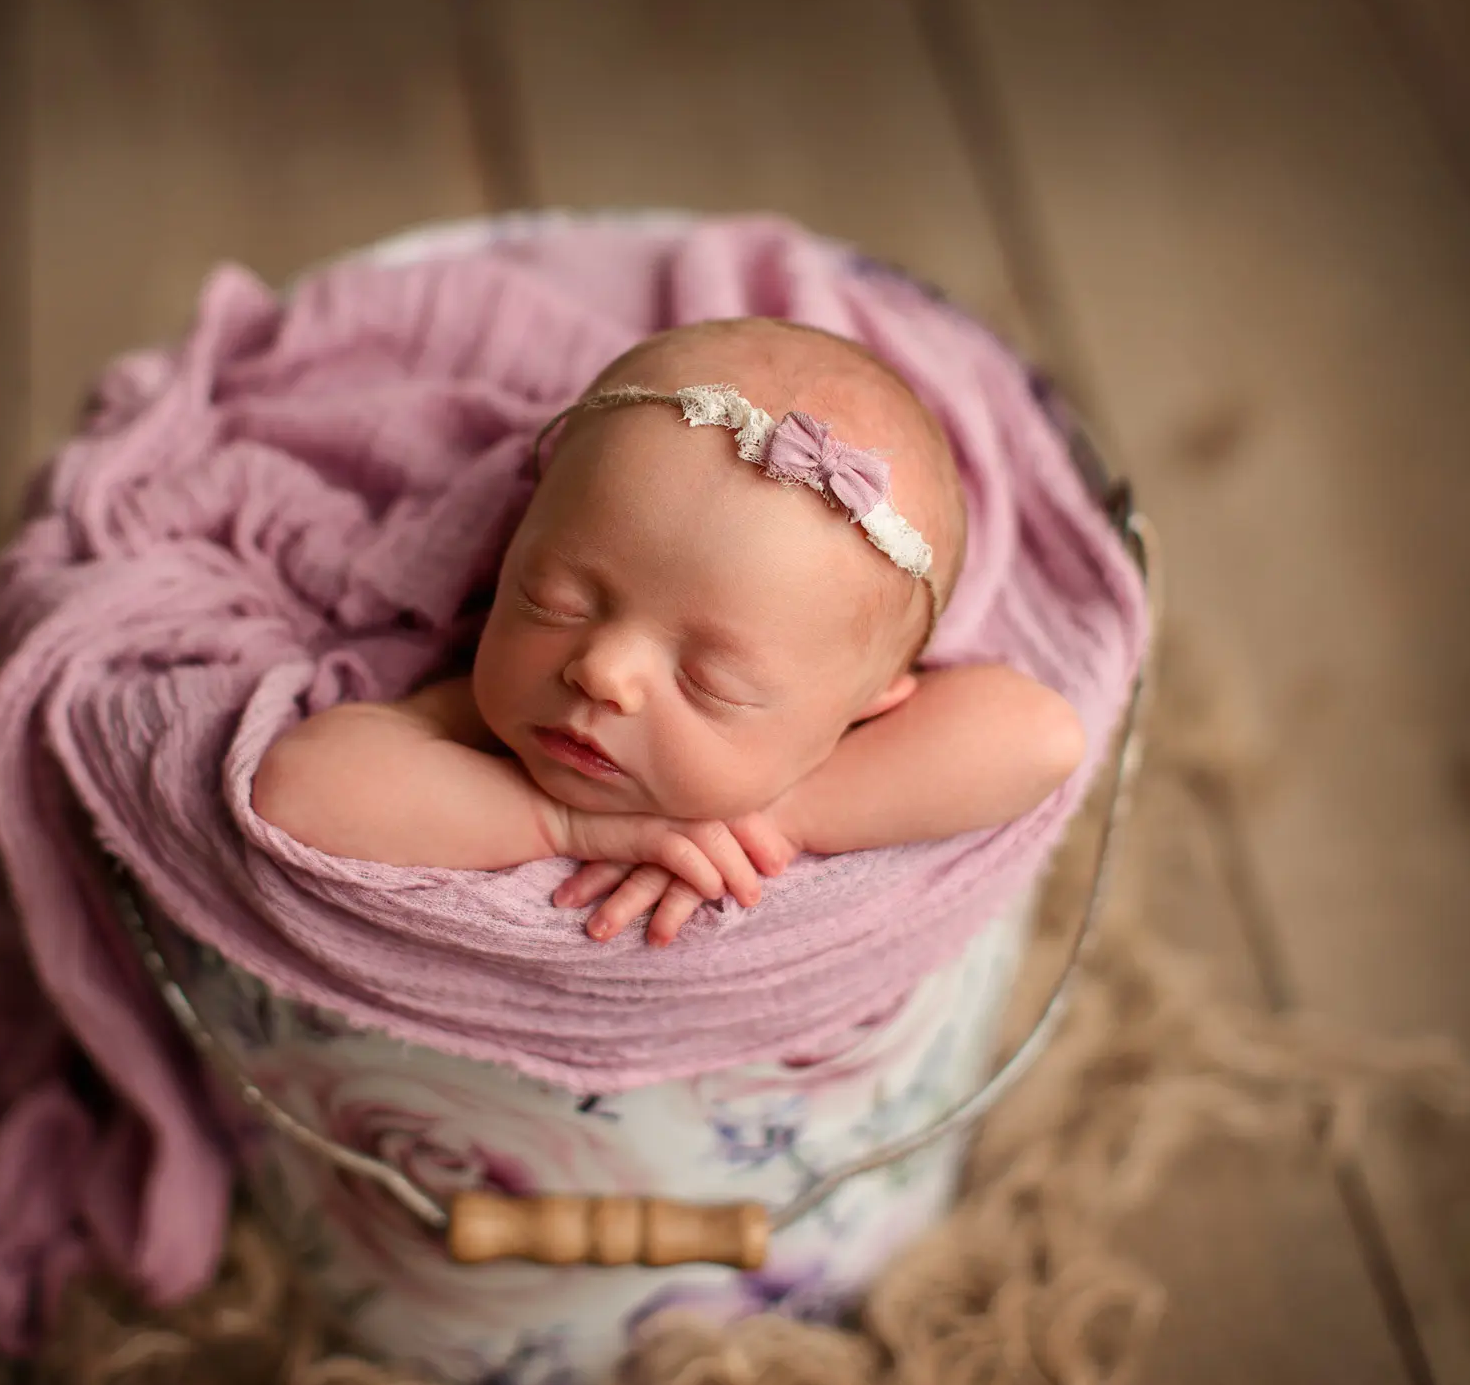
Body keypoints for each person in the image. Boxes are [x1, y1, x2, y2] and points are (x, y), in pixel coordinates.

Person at [253, 316, 1086, 945]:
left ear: (862, 709)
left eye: (710, 681)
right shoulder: (477, 721)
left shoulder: (826, 754)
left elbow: (1041, 736)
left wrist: (778, 816)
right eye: (554, 599)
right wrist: (565, 825)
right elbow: (297, 787)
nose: (602, 670)